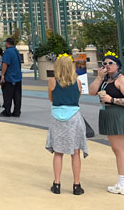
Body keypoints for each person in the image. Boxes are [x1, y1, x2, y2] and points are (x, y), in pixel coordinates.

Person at [89, 51, 124, 196]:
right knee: (121, 150)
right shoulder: (105, 80)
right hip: (108, 114)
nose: (107, 66)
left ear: (118, 65)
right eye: (104, 63)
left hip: (118, 115)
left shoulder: (122, 80)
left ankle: (122, 184)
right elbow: (92, 92)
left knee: (119, 150)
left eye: (111, 63)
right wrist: (99, 78)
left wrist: (112, 100)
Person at [46, 54, 87, 195]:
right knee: (75, 153)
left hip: (57, 117)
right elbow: (78, 97)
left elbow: (51, 98)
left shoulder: (52, 81)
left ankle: (56, 183)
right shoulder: (78, 82)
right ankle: (76, 185)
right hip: (73, 118)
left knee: (58, 152)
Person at [0, 38, 23, 118]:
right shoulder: (16, 51)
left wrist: (2, 75)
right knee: (17, 96)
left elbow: (5, 64)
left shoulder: (8, 52)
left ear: (7, 43)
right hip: (18, 77)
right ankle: (17, 112)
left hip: (9, 77)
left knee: (7, 95)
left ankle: (7, 111)